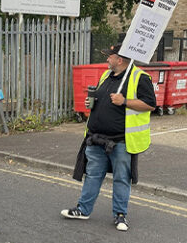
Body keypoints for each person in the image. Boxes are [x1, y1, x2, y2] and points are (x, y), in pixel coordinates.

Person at [61, 44, 155, 231]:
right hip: (96, 139)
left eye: (109, 56)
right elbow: (101, 98)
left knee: (121, 178)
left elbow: (150, 104)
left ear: (119, 59)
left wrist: (125, 101)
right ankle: (83, 209)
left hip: (120, 141)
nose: (106, 59)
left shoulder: (140, 78)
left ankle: (120, 215)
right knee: (93, 176)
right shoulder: (106, 75)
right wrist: (92, 102)